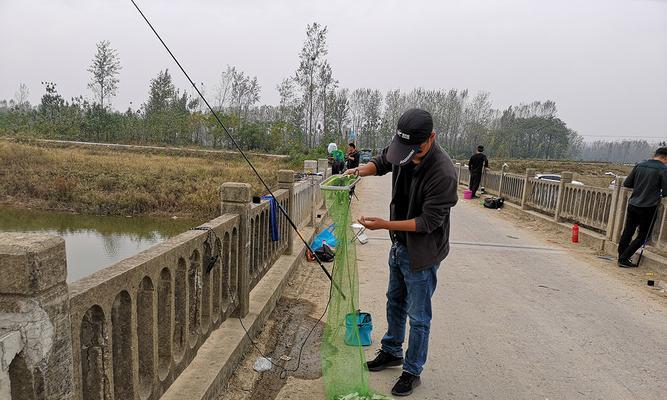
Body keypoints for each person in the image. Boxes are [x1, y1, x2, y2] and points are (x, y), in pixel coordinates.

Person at [345, 108, 458, 396]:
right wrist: (358, 171)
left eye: (416, 149)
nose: (408, 155)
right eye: (404, 148)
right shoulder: (404, 149)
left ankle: (412, 370)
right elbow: (382, 162)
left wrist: (384, 224)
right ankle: (392, 350)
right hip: (399, 246)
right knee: (394, 300)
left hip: (423, 252)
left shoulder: (443, 172)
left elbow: (428, 222)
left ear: (431, 138)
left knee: (419, 316)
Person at [617, 147, 667, 268]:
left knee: (628, 231)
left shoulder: (640, 165)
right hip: (649, 207)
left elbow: (627, 183)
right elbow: (665, 191)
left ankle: (621, 255)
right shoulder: (663, 169)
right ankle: (624, 259)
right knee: (643, 235)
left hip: (633, 203)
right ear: (665, 158)